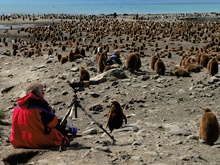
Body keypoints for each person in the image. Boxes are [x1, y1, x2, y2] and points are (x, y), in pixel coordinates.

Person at [9, 82, 74, 149]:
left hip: (20, 141)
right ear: (37, 93)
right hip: (37, 141)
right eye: (42, 91)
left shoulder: (18, 105)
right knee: (61, 124)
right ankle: (72, 130)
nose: (44, 94)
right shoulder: (38, 105)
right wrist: (51, 113)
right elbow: (53, 123)